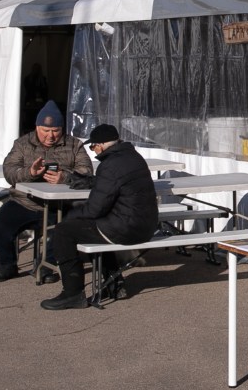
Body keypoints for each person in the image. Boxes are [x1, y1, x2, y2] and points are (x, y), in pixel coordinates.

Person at [41, 124, 159, 310]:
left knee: (64, 231)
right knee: (95, 229)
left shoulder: (109, 165)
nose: (92, 150)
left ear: (102, 145)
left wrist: (71, 217)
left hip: (126, 229)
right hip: (147, 226)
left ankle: (72, 294)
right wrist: (83, 181)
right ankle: (114, 285)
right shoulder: (134, 157)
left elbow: (94, 209)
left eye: (93, 146)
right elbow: (113, 183)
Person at [0, 101, 93, 283]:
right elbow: (9, 170)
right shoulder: (22, 144)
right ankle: (7, 265)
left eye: (55, 131)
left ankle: (47, 265)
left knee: (63, 229)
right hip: (25, 202)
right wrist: (29, 173)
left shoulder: (74, 145)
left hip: (59, 205)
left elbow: (86, 172)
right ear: (37, 127)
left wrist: (65, 177)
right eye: (45, 130)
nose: (50, 136)